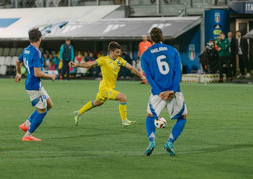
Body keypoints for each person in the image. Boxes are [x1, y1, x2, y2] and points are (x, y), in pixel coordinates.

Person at [69, 41, 145, 127]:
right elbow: (90, 64)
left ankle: (78, 113)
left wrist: (142, 77)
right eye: (117, 52)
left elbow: (131, 68)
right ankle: (124, 121)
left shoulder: (120, 60)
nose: (119, 54)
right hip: (104, 88)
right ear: (111, 51)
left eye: (119, 52)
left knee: (97, 102)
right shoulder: (103, 60)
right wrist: (76, 65)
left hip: (108, 87)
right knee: (122, 98)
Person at [141, 27, 187, 156]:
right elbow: (178, 72)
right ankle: (170, 142)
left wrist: (158, 91)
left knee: (150, 116)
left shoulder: (146, 54)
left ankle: (151, 142)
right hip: (174, 91)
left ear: (150, 38)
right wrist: (172, 90)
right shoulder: (173, 51)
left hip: (158, 92)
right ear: (162, 37)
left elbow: (148, 76)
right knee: (182, 117)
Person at [15, 28, 56, 141]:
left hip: (34, 84)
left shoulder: (26, 50)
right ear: (39, 39)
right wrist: (50, 75)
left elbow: (18, 62)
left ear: (29, 39)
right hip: (34, 85)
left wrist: (19, 73)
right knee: (42, 112)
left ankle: (26, 124)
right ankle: (28, 135)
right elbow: (37, 73)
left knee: (49, 105)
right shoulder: (36, 53)